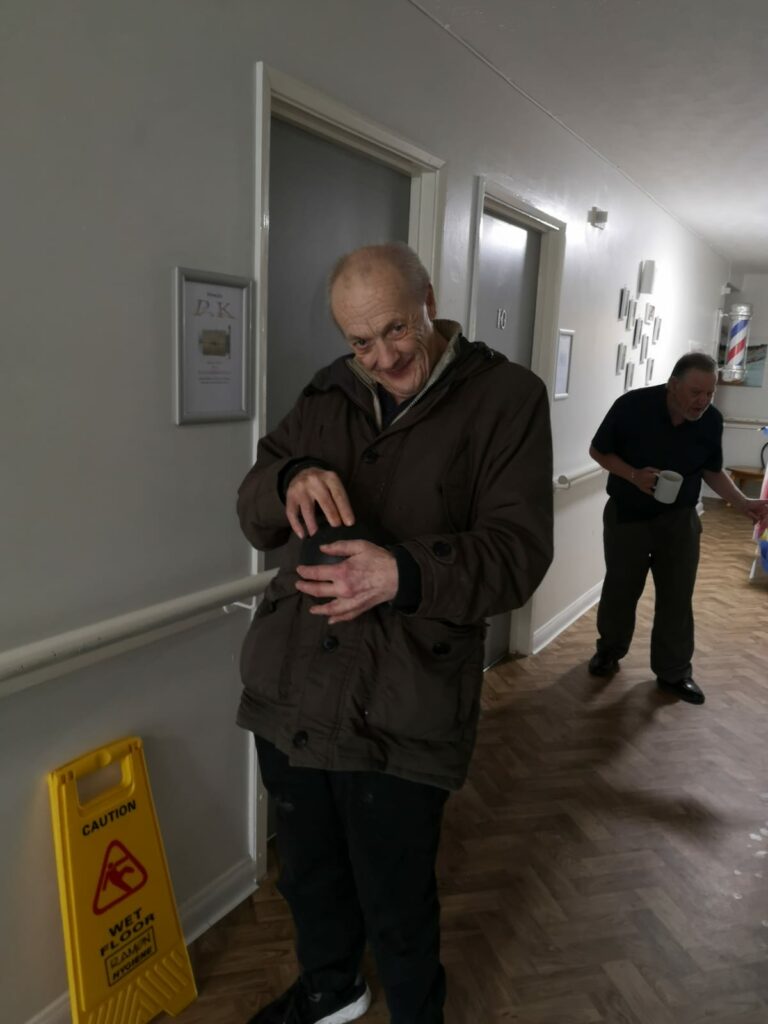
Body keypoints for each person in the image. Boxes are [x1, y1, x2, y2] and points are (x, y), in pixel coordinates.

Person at [235, 242, 553, 1024]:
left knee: (396, 893)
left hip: (404, 698)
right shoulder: (328, 389)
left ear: (428, 301)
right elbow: (253, 504)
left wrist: (402, 573)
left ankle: (417, 1012)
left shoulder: (507, 397)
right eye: (360, 341)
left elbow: (517, 556)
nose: (382, 357)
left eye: (396, 330)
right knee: (307, 874)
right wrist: (288, 479)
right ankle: (331, 991)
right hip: (293, 685)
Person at [587, 352, 768, 704]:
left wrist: (742, 502)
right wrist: (633, 475)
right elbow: (598, 451)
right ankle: (609, 650)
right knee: (621, 588)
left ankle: (674, 672)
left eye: (710, 393)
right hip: (628, 515)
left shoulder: (711, 420)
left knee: (677, 596)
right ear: (673, 385)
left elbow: (711, 470)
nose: (703, 401)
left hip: (680, 519)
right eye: (695, 392)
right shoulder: (632, 406)